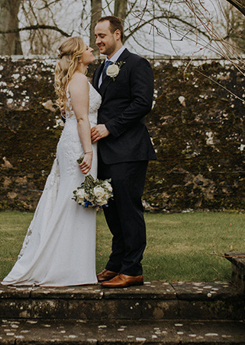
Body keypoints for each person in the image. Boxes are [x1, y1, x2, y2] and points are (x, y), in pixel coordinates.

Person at [2, 37, 101, 286]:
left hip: (77, 142)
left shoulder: (77, 79)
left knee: (76, 200)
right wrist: (88, 152)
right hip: (80, 145)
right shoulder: (78, 80)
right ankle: (64, 267)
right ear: (78, 56)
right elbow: (80, 119)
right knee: (75, 201)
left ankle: (73, 265)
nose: (92, 48)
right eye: (87, 47)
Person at [90, 16, 156, 288]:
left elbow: (143, 103)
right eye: (95, 36)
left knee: (129, 210)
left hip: (129, 151)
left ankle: (133, 269)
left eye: (102, 35)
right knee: (112, 211)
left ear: (117, 34)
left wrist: (110, 128)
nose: (97, 41)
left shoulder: (137, 64)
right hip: (105, 153)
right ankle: (116, 264)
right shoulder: (99, 69)